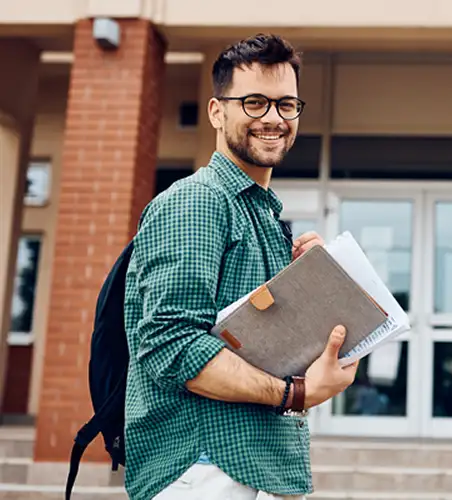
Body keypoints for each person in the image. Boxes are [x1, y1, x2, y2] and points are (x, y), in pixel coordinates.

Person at [123, 33, 359, 500]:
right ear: (217, 111)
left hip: (255, 468)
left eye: (286, 105)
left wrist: (311, 290)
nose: (273, 118)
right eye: (254, 102)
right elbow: (170, 346)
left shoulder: (264, 215)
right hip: (205, 471)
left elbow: (268, 347)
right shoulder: (197, 202)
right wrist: (295, 393)